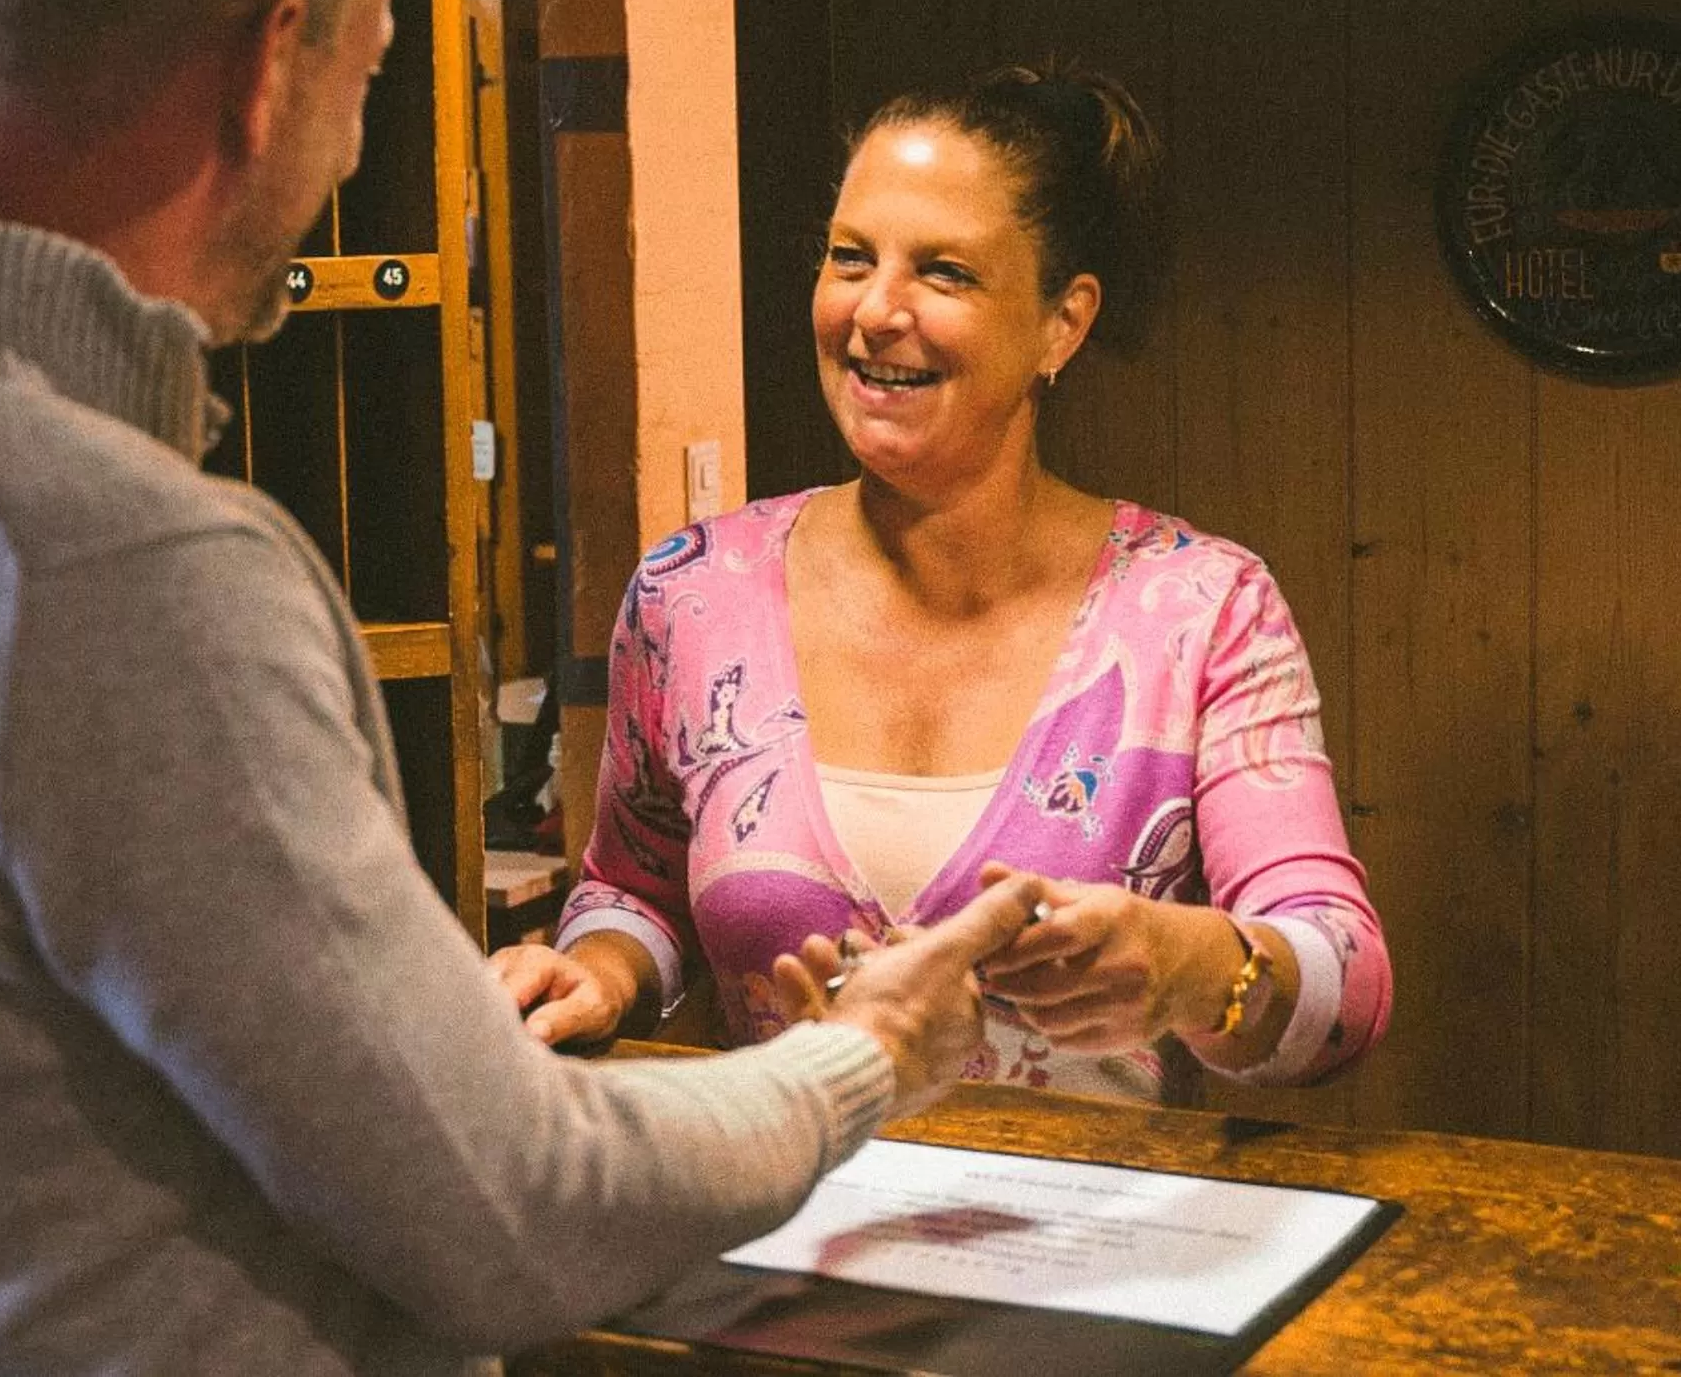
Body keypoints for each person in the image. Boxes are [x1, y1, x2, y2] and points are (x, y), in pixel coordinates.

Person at [0, 0, 1047, 1373]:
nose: (343, 161)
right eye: (371, 78)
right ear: (272, 66)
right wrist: (864, 1053)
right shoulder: (118, 564)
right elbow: (520, 1206)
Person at [495, 65, 1393, 1105]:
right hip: (781, 1197)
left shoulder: (1202, 610)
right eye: (850, 257)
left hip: (1088, 1210)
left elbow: (1345, 982)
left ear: (1062, 323)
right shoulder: (692, 594)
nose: (876, 310)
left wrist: (1195, 965)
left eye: (945, 272)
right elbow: (633, 887)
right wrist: (600, 972)